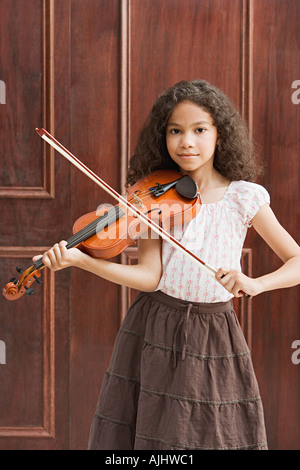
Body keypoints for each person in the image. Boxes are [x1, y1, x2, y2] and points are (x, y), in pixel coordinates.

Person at [35, 80, 300, 450]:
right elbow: (148, 277)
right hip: (155, 323)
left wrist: (255, 283)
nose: (186, 141)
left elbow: (296, 261)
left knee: (213, 434)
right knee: (153, 434)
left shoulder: (244, 197)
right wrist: (81, 260)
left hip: (215, 330)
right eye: (175, 131)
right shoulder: (153, 197)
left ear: (220, 135)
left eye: (199, 130)